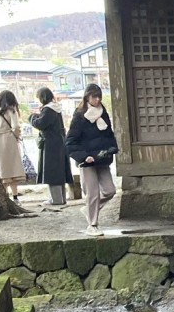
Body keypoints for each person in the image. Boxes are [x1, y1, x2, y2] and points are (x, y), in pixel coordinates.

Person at [66, 84, 118, 237]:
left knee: (110, 190)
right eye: (94, 97)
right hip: (87, 161)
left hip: (102, 159)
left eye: (99, 96)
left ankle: (88, 208)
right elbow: (70, 142)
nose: (97, 99)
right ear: (87, 97)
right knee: (92, 193)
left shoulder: (104, 113)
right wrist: (83, 156)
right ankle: (92, 225)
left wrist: (112, 148)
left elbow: (109, 134)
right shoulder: (80, 116)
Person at [30, 87, 72, 209]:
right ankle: (61, 198)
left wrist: (32, 117)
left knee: (52, 171)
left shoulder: (48, 110)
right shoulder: (56, 108)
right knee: (59, 171)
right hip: (59, 142)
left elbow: (40, 124)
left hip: (51, 144)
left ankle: (56, 199)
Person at [0, 89, 26, 203]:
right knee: (12, 170)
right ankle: (15, 197)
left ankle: (4, 196)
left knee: (1, 171)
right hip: (8, 141)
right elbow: (16, 127)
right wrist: (16, 136)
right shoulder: (10, 110)